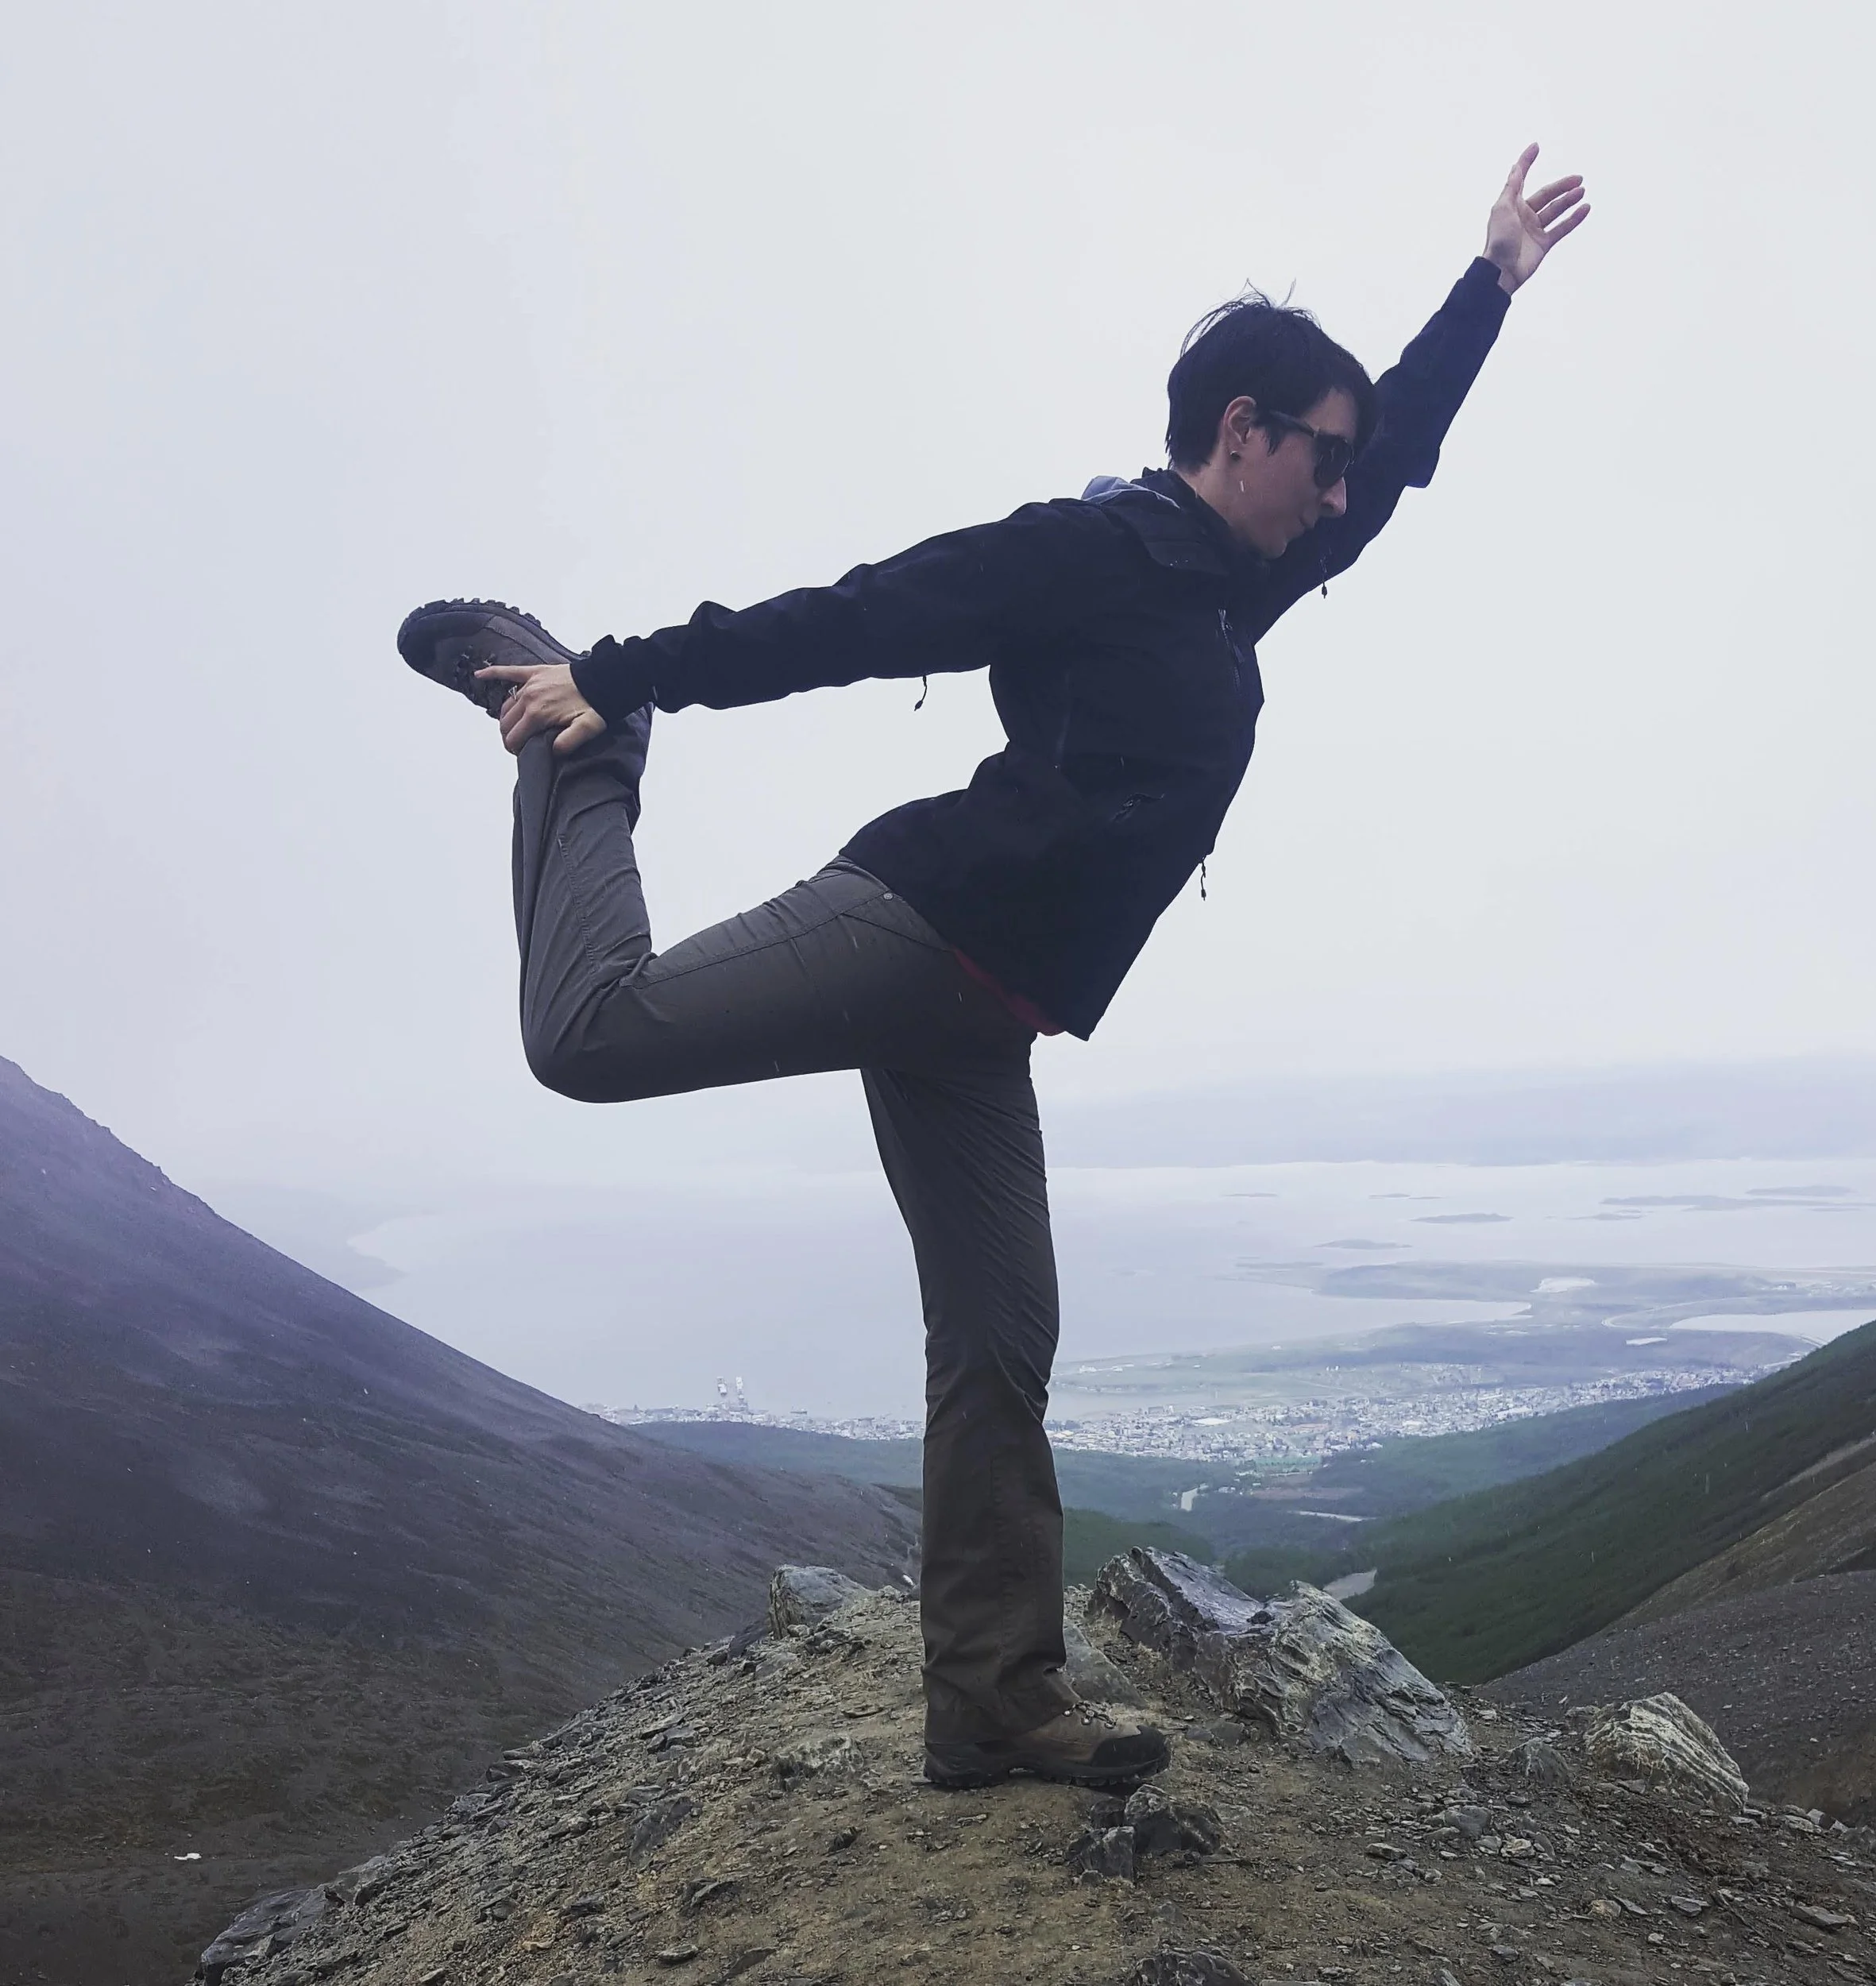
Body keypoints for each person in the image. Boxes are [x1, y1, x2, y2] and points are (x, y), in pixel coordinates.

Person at [397, 148, 1588, 1791]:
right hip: (912, 922)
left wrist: (1488, 283)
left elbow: (1400, 455)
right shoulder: (1093, 547)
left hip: (988, 1008)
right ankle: (578, 755)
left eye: (1339, 469)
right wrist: (614, 675)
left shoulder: (1241, 575)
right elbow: (861, 616)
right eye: (1314, 456)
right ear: (1233, 429)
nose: (1336, 492)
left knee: (997, 1342)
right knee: (592, 1032)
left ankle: (991, 1701)